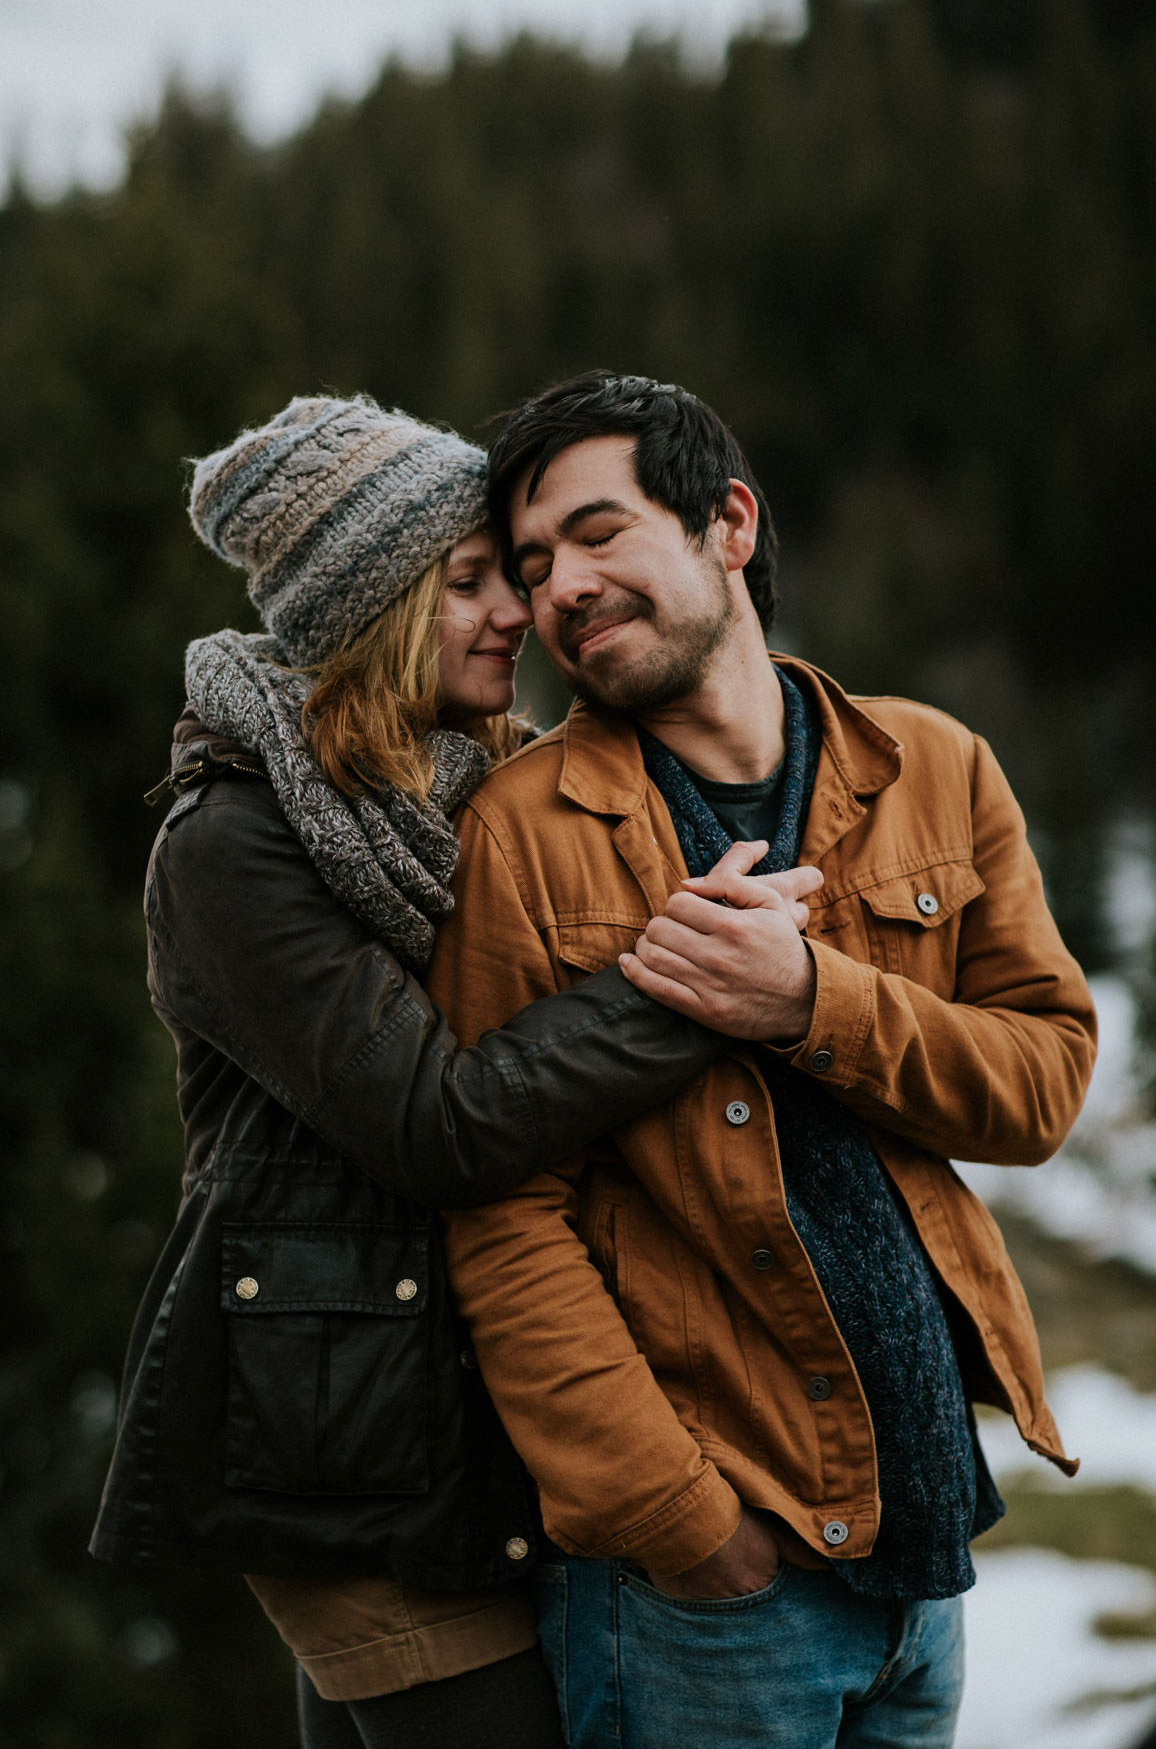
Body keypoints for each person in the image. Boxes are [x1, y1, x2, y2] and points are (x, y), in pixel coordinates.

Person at [90, 394, 814, 1749]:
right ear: (372, 609)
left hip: (453, 1422)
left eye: (517, 576)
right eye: (468, 582)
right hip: (347, 1440)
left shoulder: (463, 786)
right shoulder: (234, 845)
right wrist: (692, 981)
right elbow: (443, 1122)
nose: (514, 613)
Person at [423, 372, 1100, 1749]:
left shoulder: (935, 766)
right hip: (706, 1598)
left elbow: (1044, 1082)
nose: (561, 588)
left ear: (728, 523)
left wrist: (814, 1004)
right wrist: (679, 1522)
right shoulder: (519, 829)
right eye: (536, 563)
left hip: (929, 1549)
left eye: (600, 533)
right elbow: (502, 1211)